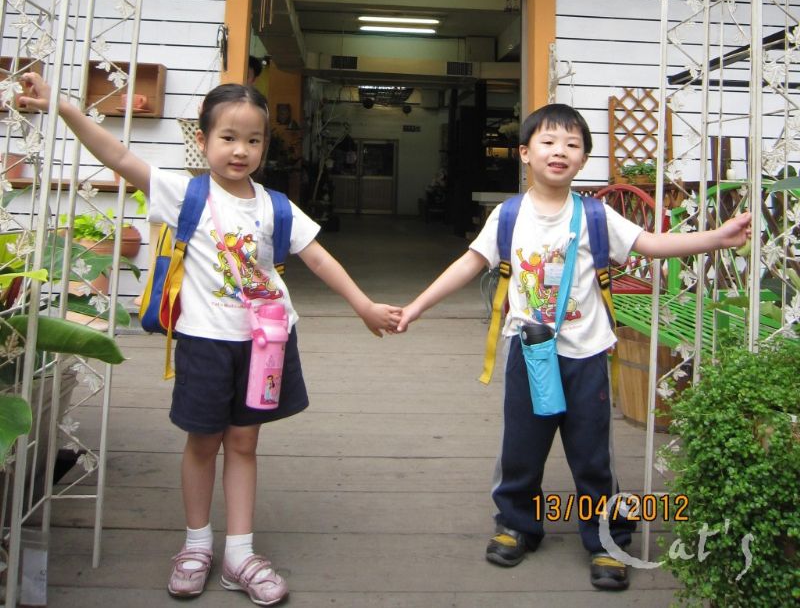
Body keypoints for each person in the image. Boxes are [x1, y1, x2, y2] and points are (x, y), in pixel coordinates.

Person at [18, 72, 401, 606]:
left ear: (264, 145)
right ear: (203, 139)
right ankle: (196, 545)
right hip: (204, 344)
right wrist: (62, 107)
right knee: (202, 444)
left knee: (244, 444)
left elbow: (316, 256)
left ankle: (240, 553)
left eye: (253, 140)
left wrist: (363, 305)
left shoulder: (275, 206)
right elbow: (118, 156)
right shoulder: (183, 193)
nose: (241, 150)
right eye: (228, 137)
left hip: (265, 346)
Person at [397, 103, 752, 592]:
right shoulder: (509, 215)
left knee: (592, 456)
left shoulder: (595, 215)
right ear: (525, 153)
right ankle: (517, 524)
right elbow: (469, 263)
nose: (559, 151)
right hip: (529, 355)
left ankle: (608, 540)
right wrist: (416, 306)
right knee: (520, 449)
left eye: (572, 144)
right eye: (547, 142)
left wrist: (717, 238)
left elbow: (650, 244)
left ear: (583, 159)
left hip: (587, 356)